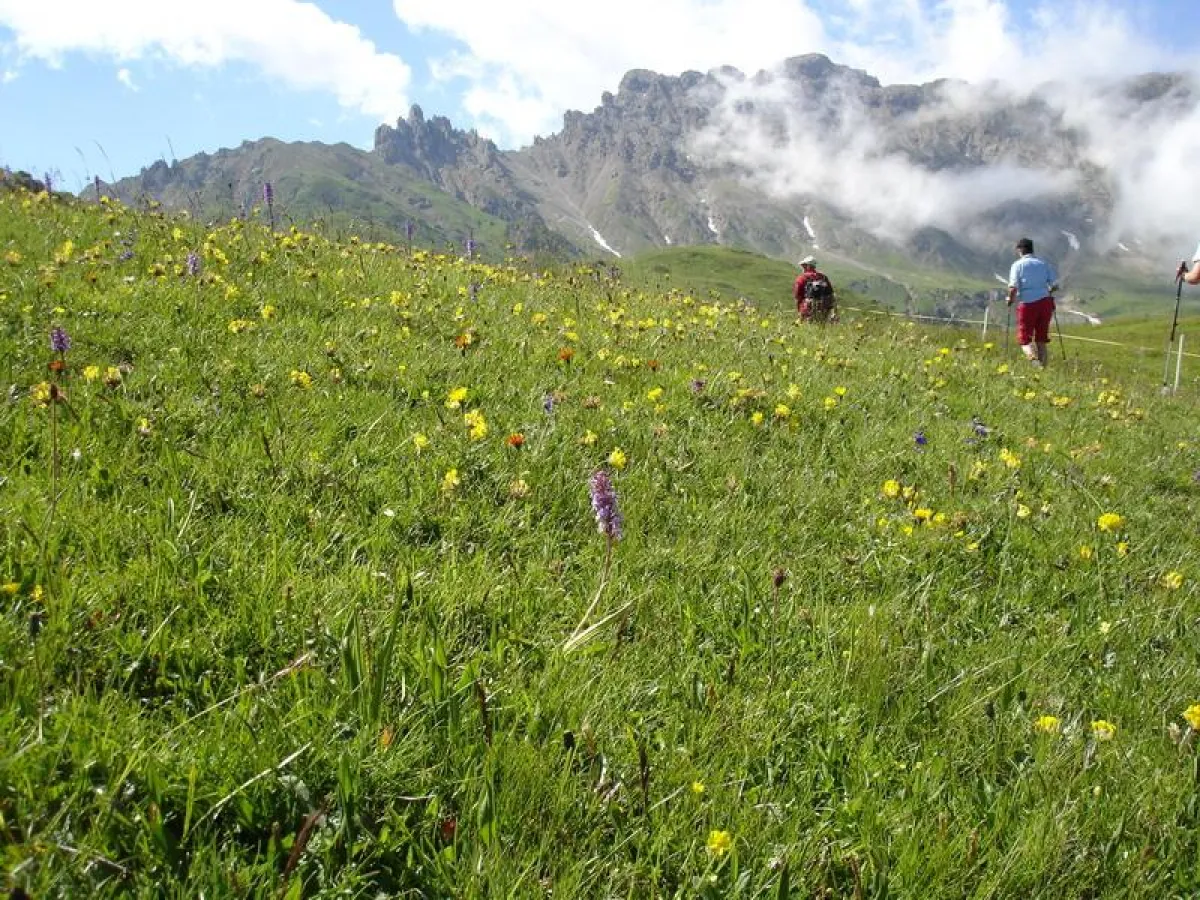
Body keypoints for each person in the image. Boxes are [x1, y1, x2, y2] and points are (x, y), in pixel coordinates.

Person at [1007, 237, 1058, 366]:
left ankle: (1034, 363)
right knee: (1041, 339)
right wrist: (1047, 291)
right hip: (1045, 303)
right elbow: (1054, 285)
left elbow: (1013, 287)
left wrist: (1010, 300)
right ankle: (1043, 368)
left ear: (1021, 250)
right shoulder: (1043, 263)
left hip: (1028, 304)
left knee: (1025, 340)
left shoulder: (1017, 265)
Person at [793, 256, 837, 323]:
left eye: (803, 265)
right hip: (823, 310)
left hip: (807, 310)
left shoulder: (801, 278)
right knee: (821, 326)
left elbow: (797, 296)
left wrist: (799, 311)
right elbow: (830, 293)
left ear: (807, 266)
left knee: (805, 327)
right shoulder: (823, 277)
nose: (802, 267)